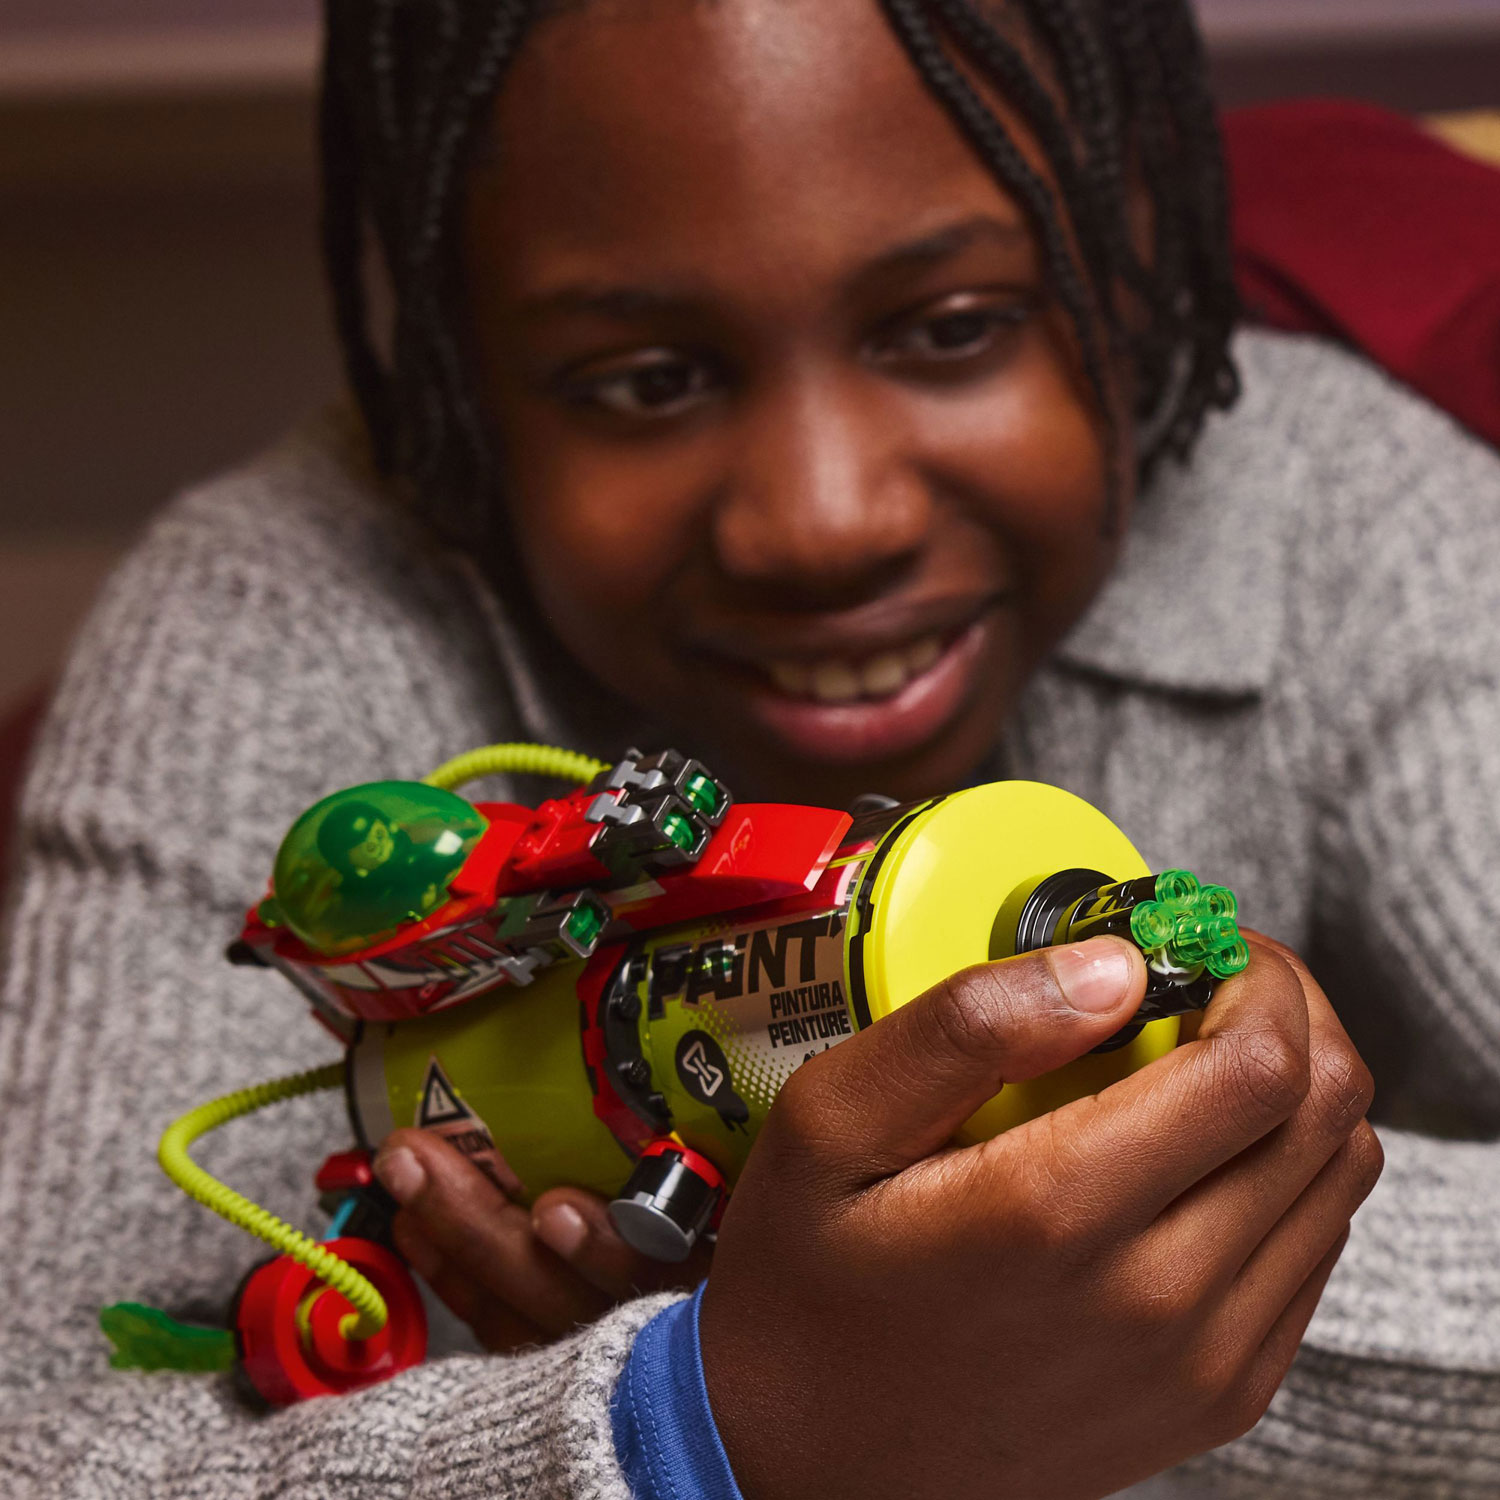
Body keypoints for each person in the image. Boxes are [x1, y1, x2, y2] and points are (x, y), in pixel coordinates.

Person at [1, 1, 1496, 1495]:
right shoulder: (275, 614)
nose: (822, 521)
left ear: (1132, 268)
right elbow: (41, 1435)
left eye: (952, 328)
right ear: (458, 370)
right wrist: (703, 1417)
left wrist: (1084, 1279)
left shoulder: (1340, 515)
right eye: (647, 380)